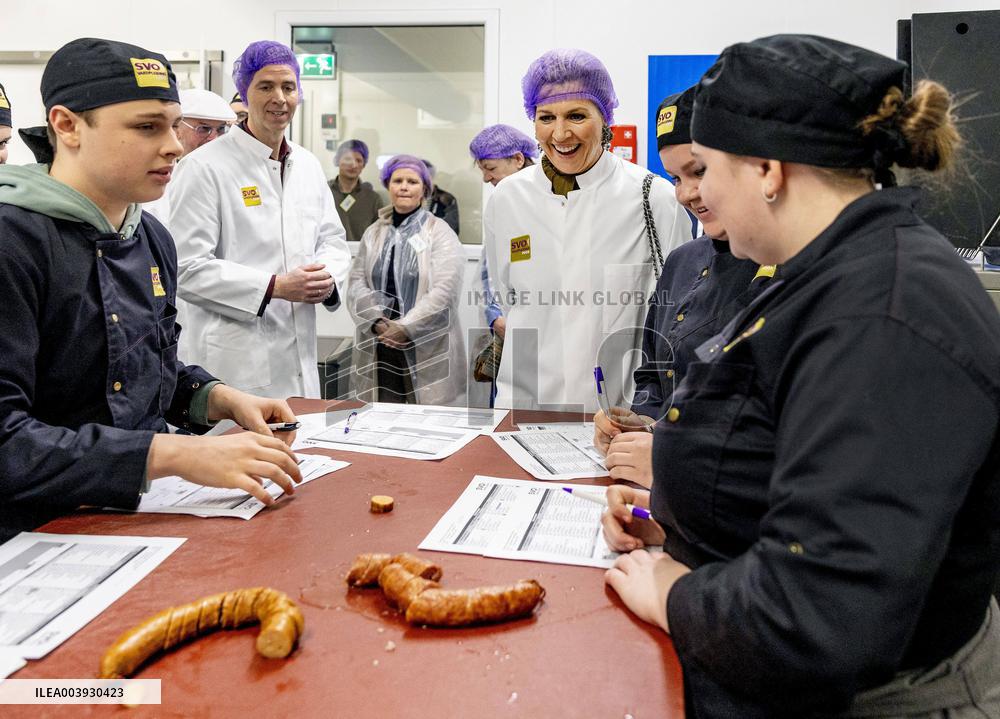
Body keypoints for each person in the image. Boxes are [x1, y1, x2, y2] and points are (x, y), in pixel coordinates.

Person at [601, 34, 1000, 718]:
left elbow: (818, 615)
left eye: (707, 167)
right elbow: (814, 487)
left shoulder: (883, 312)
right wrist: (682, 531)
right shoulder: (824, 272)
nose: (694, 192)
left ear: (766, 169)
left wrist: (674, 591)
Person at [0, 38, 303, 543]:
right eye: (147, 127)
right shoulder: (15, 241)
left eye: (172, 124)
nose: (175, 145)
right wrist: (173, 454)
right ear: (67, 125)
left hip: (135, 516)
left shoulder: (150, 237)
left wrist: (213, 397)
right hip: (33, 534)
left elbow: (142, 366)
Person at [482, 49, 690, 412]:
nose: (560, 133)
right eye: (546, 117)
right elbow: (509, 295)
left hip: (618, 415)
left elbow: (677, 314)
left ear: (605, 118)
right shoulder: (508, 199)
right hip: (524, 405)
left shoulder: (654, 198)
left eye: (577, 115)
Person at [593, 87, 774, 480]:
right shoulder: (682, 261)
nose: (686, 193)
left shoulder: (785, 268)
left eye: (699, 171)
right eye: (675, 177)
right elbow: (652, 373)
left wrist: (669, 458)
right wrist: (640, 424)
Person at [168, 40, 351, 399]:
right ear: (245, 93)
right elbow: (185, 268)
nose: (279, 98)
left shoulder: (308, 165)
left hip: (299, 357)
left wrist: (326, 276)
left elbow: (332, 240)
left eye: (288, 87)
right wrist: (275, 287)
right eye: (265, 87)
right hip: (233, 366)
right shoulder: (205, 167)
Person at [346, 154, 465, 405]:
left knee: (426, 417)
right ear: (388, 186)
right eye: (397, 180)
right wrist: (377, 321)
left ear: (425, 189)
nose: (403, 187)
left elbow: (445, 290)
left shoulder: (439, 232)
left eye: (412, 181)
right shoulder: (374, 233)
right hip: (380, 341)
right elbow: (356, 282)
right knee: (383, 413)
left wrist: (406, 328)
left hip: (425, 342)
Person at [468, 124, 538, 401]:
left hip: (539, 328)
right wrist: (495, 316)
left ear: (518, 159)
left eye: (490, 168)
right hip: (506, 327)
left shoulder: (548, 201)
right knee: (505, 407)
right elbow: (490, 270)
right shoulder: (501, 202)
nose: (486, 178)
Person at [144, 88, 235, 223]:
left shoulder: (232, 178)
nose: (214, 138)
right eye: (204, 129)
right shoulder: (154, 181)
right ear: (176, 128)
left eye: (221, 129)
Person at [328, 139, 384, 243]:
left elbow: (379, 237)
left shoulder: (373, 199)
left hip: (361, 257)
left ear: (364, 165)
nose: (353, 165)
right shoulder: (324, 192)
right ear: (337, 161)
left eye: (358, 160)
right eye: (348, 159)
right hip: (326, 256)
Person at [423, 159, 460, 236]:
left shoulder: (447, 199)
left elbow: (451, 230)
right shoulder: (409, 198)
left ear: (432, 177)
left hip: (439, 245)